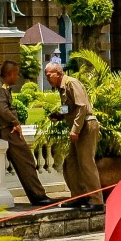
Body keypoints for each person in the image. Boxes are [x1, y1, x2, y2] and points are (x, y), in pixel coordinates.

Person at [0, 57, 51, 206]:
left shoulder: (2, 87)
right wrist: (16, 122)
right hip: (5, 130)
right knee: (25, 161)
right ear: (10, 73)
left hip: (7, 129)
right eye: (16, 74)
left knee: (26, 161)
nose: (18, 76)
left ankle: (37, 195)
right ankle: (38, 196)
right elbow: (3, 110)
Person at [45, 61, 103, 208]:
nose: (46, 77)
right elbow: (69, 109)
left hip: (86, 126)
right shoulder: (62, 88)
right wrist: (58, 115)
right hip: (79, 127)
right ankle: (79, 196)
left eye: (49, 74)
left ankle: (96, 200)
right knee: (70, 163)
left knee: (86, 163)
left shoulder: (72, 83)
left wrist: (75, 129)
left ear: (58, 73)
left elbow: (82, 106)